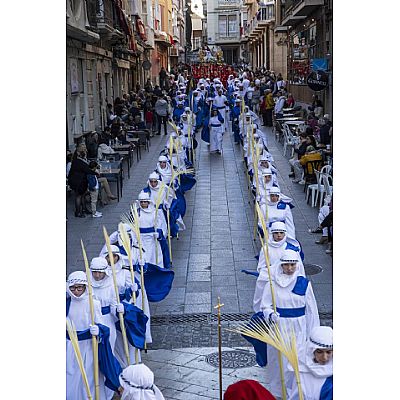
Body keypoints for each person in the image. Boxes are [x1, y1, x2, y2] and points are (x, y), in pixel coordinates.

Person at [252, 252, 320, 399]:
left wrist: (313, 335)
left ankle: (295, 392)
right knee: (279, 362)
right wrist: (270, 314)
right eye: (286, 265)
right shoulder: (273, 283)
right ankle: (279, 392)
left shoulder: (304, 284)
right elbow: (265, 305)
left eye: (292, 265)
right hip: (279, 328)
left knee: (296, 361)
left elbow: (311, 311)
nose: (289, 268)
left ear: (297, 265)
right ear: (281, 265)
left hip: (299, 329)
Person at [66, 271, 122, 400]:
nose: (76, 291)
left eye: (79, 287)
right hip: (70, 346)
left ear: (85, 287)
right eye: (73, 288)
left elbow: (102, 326)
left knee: (90, 375)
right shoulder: (66, 304)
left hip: (88, 347)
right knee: (71, 374)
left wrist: (98, 330)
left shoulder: (93, 303)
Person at [288, 326, 333, 400]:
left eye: (328, 352)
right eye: (319, 352)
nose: (324, 357)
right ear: (311, 350)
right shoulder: (301, 371)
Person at [68, 147, 96, 218]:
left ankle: (84, 209)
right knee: (78, 196)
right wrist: (96, 173)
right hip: (77, 181)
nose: (85, 152)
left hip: (81, 180)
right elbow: (87, 169)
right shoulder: (77, 161)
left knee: (82, 195)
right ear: (78, 153)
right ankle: (78, 212)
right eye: (83, 151)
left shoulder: (81, 159)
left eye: (85, 150)